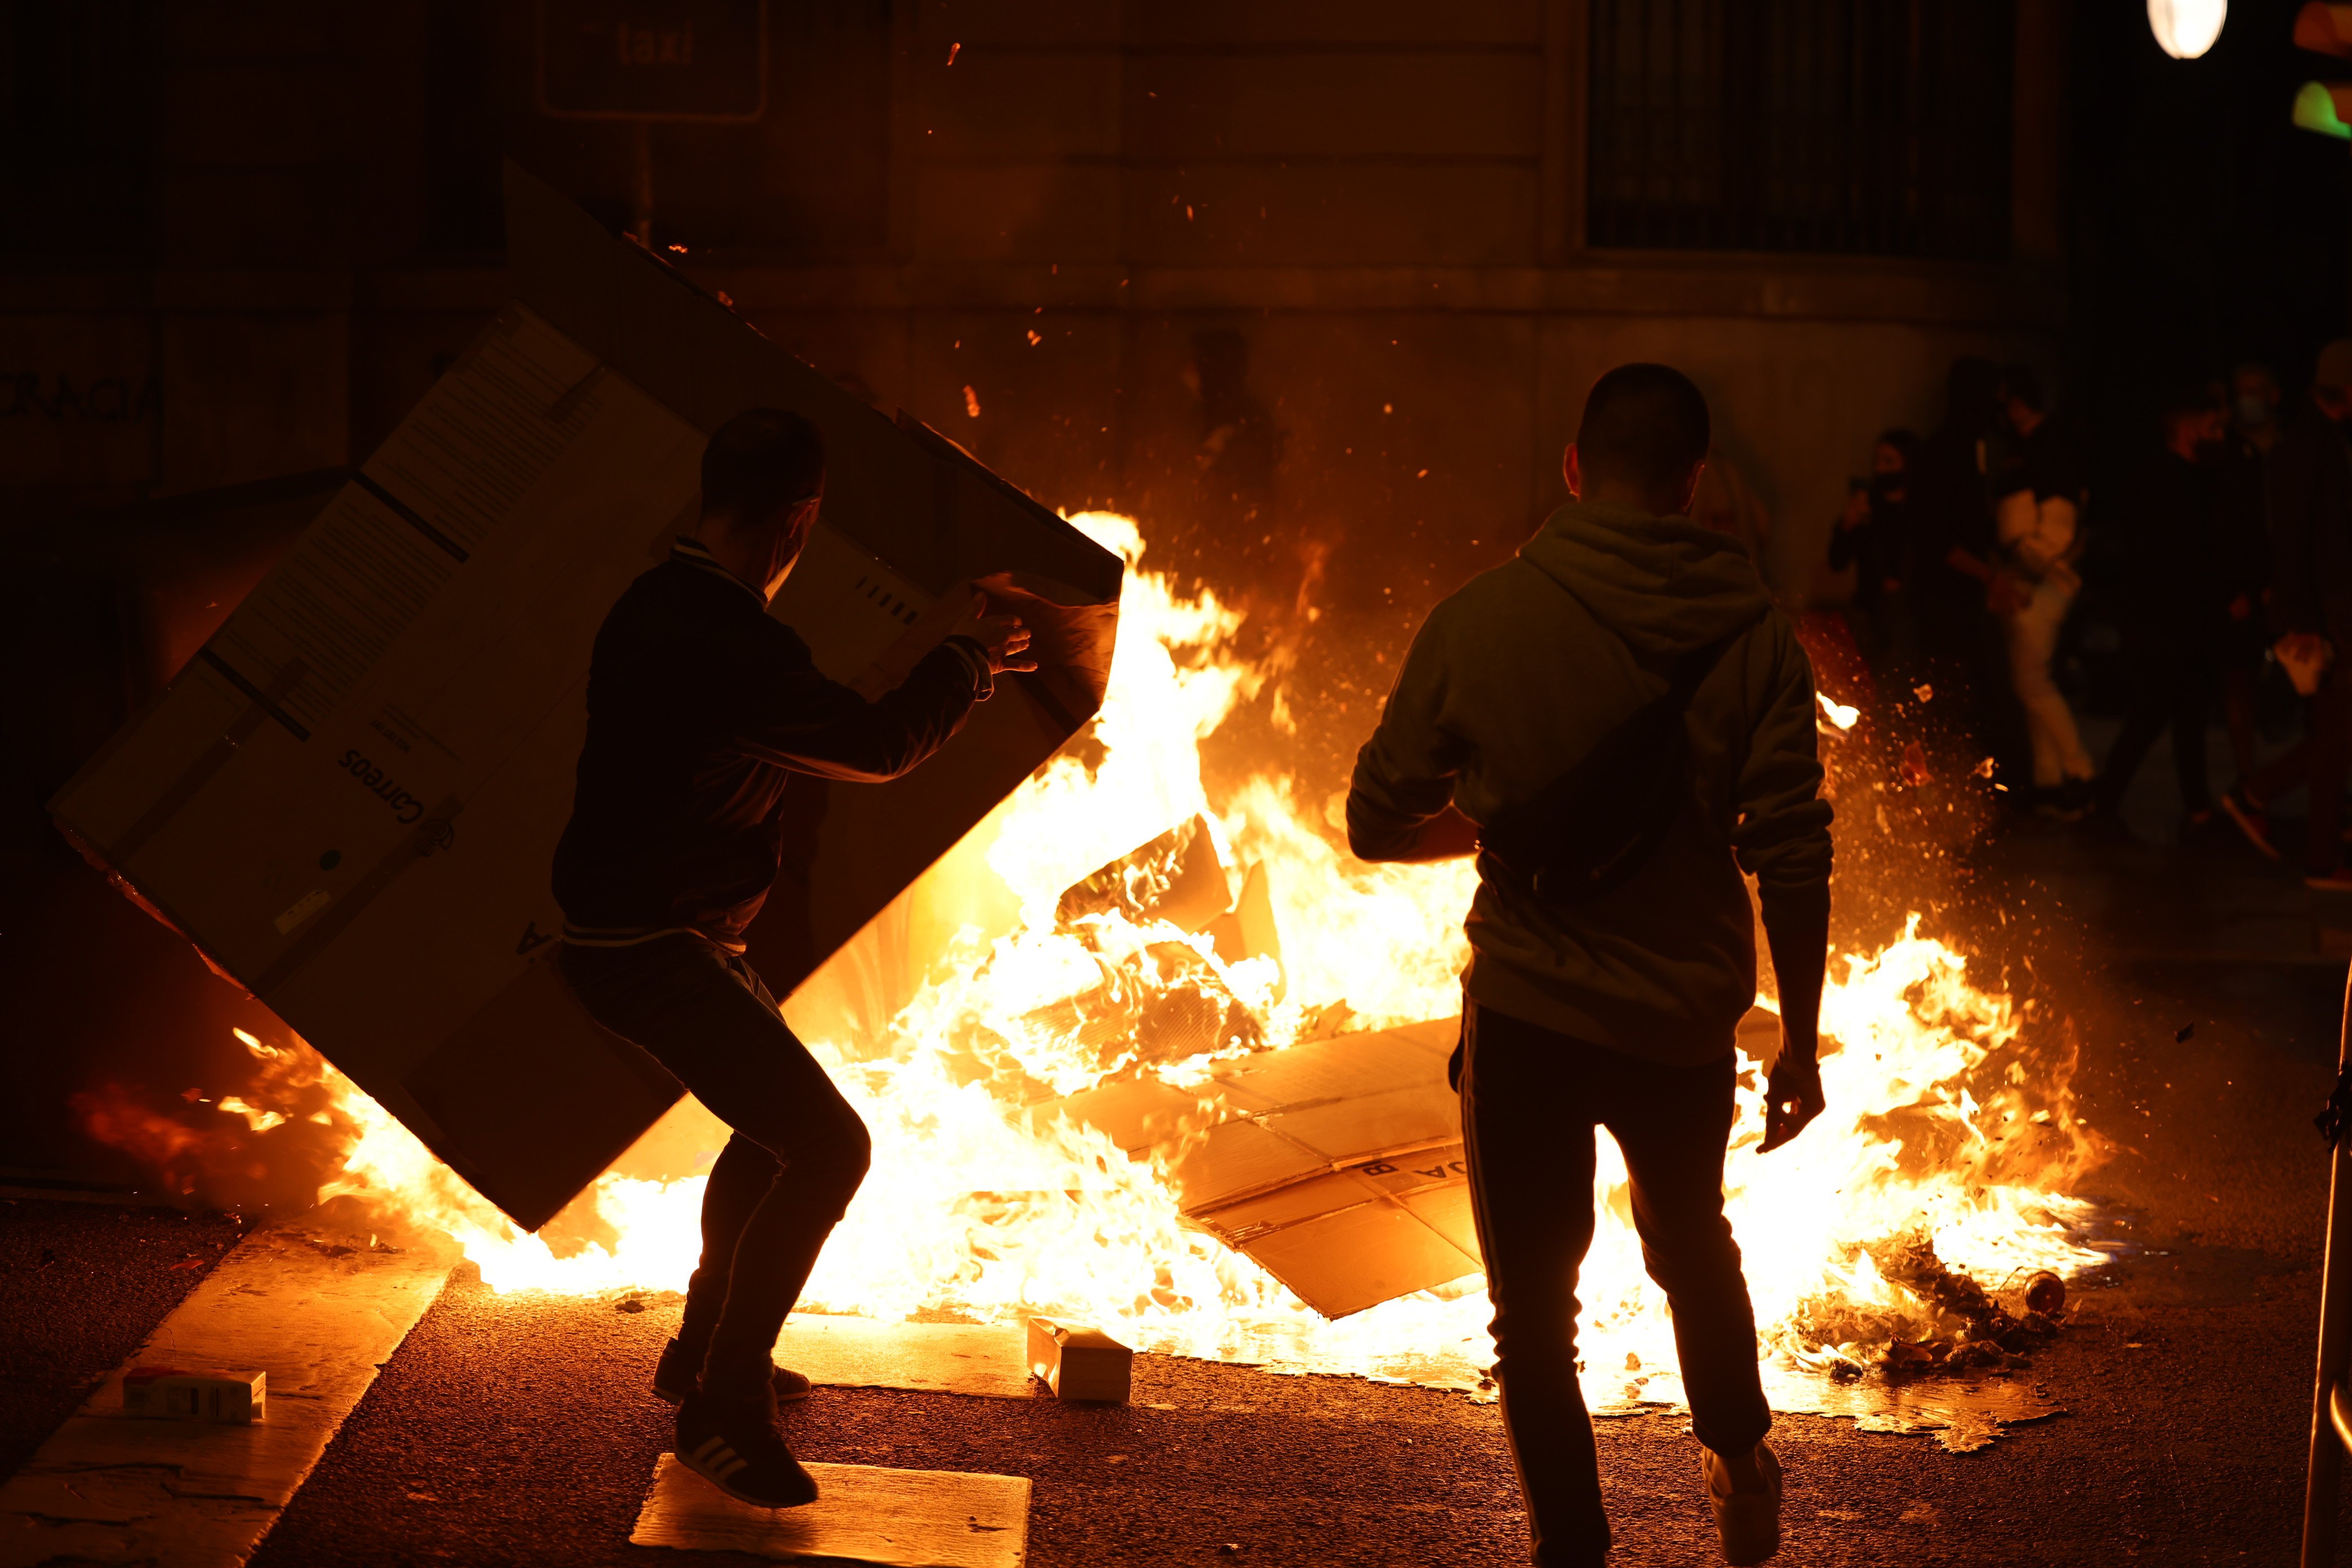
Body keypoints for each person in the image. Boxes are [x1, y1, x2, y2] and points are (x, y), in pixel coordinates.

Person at [1346, 363, 1833, 1568]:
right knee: (1691, 1248)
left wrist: (1506, 819)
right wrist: (1804, 1038)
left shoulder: (1481, 619)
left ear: (1573, 470)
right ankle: (1738, 1456)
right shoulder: (1757, 636)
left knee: (1533, 1322)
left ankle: (1573, 1551)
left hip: (1528, 1014)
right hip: (1680, 1021)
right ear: (1694, 484)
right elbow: (1792, 847)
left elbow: (1373, 818)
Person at [549, 409, 1036, 1507]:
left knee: (773, 1136)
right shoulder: (726, 640)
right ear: (797, 520)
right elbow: (876, 747)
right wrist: (970, 658)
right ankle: (721, 1413)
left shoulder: (653, 602)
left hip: (652, 932)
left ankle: (705, 1350)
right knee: (829, 1148)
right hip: (652, 946)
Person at [2224, 341, 2352, 886]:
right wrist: (2302, 622)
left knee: (2337, 732)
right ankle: (2315, 849)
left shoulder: (2319, 441)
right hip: (2323, 612)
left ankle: (2273, 804)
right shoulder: (2309, 446)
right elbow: (2296, 539)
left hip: (2327, 608)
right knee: (2336, 733)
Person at [2091, 393, 2227, 828]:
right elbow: (2184, 555)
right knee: (2155, 715)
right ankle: (2107, 803)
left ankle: (2196, 809)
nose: (2217, 438)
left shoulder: (2159, 479)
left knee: (2183, 716)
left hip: (2166, 619)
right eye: (2210, 430)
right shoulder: (2181, 483)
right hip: (2168, 621)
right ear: (2188, 433)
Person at [1906, 357, 2025, 777]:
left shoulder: (1973, 449)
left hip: (1962, 596)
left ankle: (1977, 787)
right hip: (1942, 601)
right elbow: (1938, 540)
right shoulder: (1944, 451)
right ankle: (1951, 787)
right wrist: (1991, 577)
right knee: (1952, 696)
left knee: (1976, 694)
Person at [1993, 368, 2093, 817]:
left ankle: (2079, 773)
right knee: (2031, 680)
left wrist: (2025, 569)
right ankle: (2050, 780)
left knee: (2032, 680)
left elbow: (2058, 522)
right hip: (2038, 577)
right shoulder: (2037, 446)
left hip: (2041, 581)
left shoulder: (2047, 447)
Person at [1825, 429, 1917, 670]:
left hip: (1911, 612)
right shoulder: (1869, 509)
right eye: (1878, 461)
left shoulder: (1918, 509)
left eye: (1889, 461)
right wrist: (1849, 524)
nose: (1881, 469)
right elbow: (1837, 561)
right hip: (1869, 612)